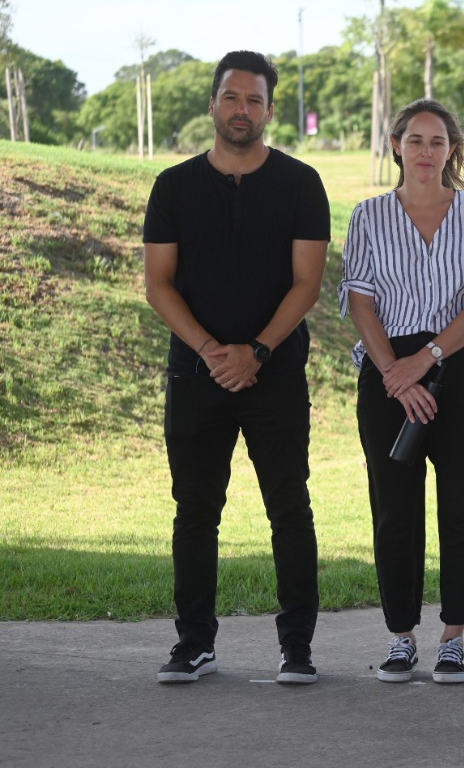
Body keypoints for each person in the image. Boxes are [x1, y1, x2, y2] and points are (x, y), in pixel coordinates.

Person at [143, 50, 329, 685]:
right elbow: (159, 284)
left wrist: (257, 352)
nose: (242, 109)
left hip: (274, 373)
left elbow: (308, 283)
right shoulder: (173, 186)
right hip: (196, 375)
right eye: (232, 97)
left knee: (289, 506)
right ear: (213, 104)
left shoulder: (302, 183)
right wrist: (210, 352)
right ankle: (194, 644)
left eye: (254, 100)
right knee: (195, 509)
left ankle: (297, 647)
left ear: (270, 110)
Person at [339, 99, 464, 685]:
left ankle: (454, 636)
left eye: (438, 141)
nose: (426, 152)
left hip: (458, 369)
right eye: (416, 140)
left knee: (463, 504)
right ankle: (401, 636)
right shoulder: (368, 216)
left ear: (453, 150)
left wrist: (426, 358)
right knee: (394, 509)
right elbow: (359, 300)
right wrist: (394, 372)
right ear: (396, 145)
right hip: (387, 373)